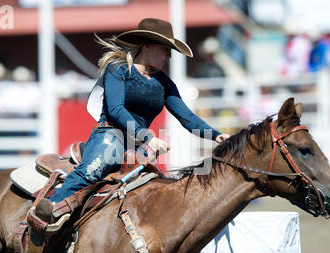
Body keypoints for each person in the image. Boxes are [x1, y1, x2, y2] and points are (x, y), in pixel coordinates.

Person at [35, 18, 230, 223]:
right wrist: (147, 137)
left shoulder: (164, 83)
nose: (169, 56)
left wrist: (217, 136)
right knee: (91, 171)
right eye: (165, 49)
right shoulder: (117, 69)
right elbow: (116, 109)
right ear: (146, 45)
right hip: (111, 134)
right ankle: (47, 212)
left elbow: (186, 116)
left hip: (137, 146)